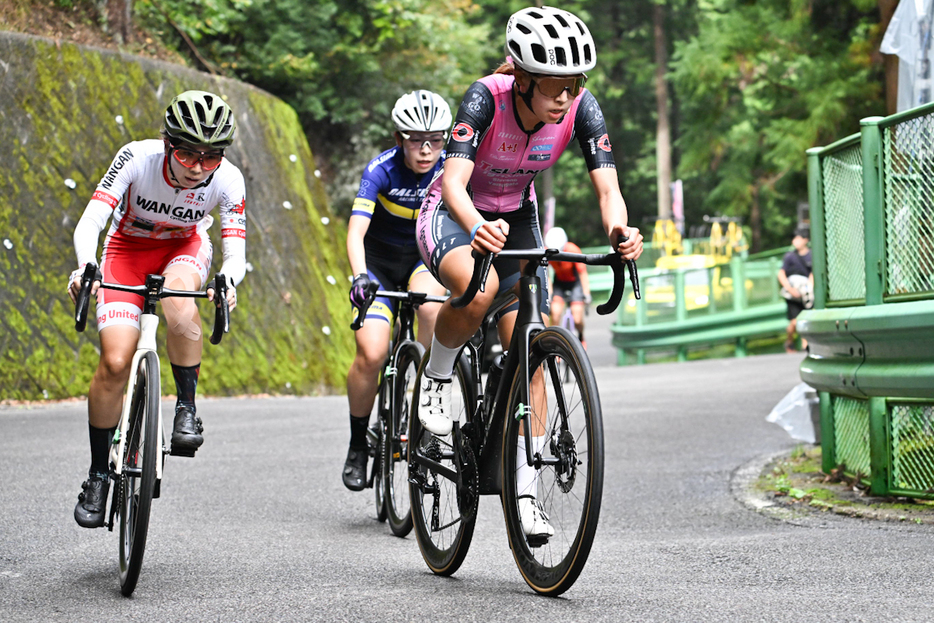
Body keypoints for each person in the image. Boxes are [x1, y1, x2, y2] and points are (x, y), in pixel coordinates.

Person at [414, 6, 643, 537]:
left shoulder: (583, 109)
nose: (565, 97)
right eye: (553, 85)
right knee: (480, 287)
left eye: (574, 83)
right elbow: (451, 183)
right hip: (455, 211)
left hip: (518, 213)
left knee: (530, 349)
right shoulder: (484, 97)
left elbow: (608, 189)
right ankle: (437, 376)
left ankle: (524, 488)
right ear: (520, 78)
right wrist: (474, 225)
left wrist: (619, 233)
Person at [67, 90, 244, 528]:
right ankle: (96, 475)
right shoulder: (136, 158)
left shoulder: (229, 179)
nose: (198, 167)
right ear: (167, 144)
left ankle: (186, 407)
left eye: (210, 157)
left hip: (184, 249)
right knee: (114, 361)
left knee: (181, 303)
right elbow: (92, 219)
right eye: (187, 154)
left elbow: (235, 249)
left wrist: (228, 281)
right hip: (126, 251)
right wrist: (86, 266)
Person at [342, 90, 451, 491]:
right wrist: (359, 277)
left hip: (424, 259)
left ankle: (423, 402)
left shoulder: (450, 170)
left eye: (436, 140)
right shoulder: (381, 170)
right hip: (379, 267)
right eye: (414, 139)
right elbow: (356, 231)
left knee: (431, 310)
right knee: (371, 353)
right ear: (398, 137)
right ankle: (358, 442)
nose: (425, 150)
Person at [544, 226, 592, 347]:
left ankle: (581, 336)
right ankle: (556, 343)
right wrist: (549, 293)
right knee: (555, 313)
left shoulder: (573, 250)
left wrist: (586, 293)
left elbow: (582, 273)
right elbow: (546, 274)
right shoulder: (546, 250)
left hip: (575, 284)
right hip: (559, 284)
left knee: (577, 319)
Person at [777, 227, 813, 353]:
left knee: (806, 319)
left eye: (798, 238)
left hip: (806, 294)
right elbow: (781, 273)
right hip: (792, 294)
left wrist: (809, 288)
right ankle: (790, 341)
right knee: (794, 321)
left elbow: (812, 273)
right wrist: (790, 289)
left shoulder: (811, 255)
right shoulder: (790, 256)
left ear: (805, 240)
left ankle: (805, 345)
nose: (795, 241)